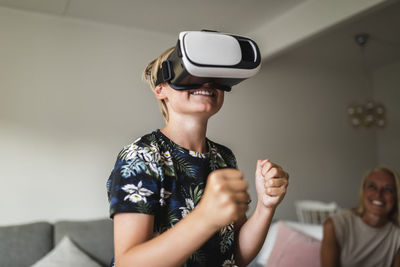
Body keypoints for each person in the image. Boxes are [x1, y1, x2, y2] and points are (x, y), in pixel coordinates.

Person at [106, 41, 289, 267]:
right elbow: (127, 263)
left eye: (214, 75)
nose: (206, 82)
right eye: (190, 72)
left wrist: (266, 206)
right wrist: (205, 218)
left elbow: (235, 257)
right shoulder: (140, 156)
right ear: (161, 90)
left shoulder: (224, 158)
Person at [321, 166, 400, 267]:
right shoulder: (334, 225)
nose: (378, 194)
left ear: (396, 196)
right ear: (363, 191)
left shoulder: (397, 235)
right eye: (372, 187)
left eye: (388, 189)